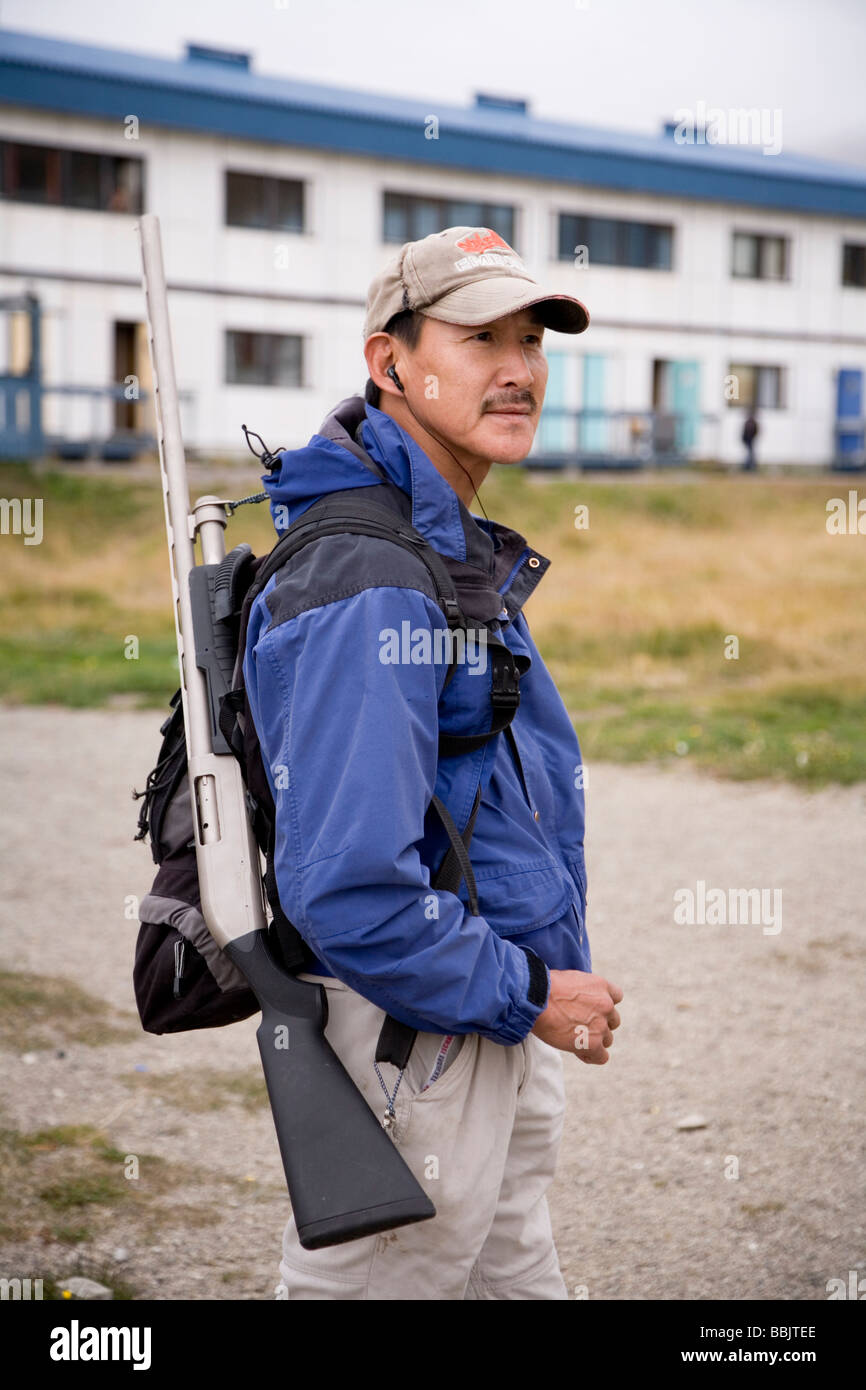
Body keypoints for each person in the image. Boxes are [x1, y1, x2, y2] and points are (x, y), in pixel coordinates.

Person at [243, 225, 624, 1300]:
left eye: (530, 339)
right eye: (477, 337)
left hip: (479, 1002)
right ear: (390, 361)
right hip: (418, 1023)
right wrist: (525, 992)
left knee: (511, 1266)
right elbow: (351, 889)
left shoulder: (441, 538)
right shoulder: (372, 572)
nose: (517, 369)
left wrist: (529, 985)